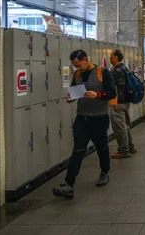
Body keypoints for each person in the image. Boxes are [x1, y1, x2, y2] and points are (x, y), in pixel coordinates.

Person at [52, 50, 116, 199]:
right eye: (75, 66)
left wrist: (98, 95)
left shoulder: (103, 72)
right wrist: (71, 98)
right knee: (78, 150)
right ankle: (68, 184)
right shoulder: (78, 75)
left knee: (102, 147)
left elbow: (112, 93)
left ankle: (105, 172)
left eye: (79, 64)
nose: (77, 68)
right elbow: (76, 92)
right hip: (82, 118)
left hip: (99, 118)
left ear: (86, 59)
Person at [108, 49, 137, 159]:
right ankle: (130, 146)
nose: (110, 57)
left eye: (111, 55)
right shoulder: (123, 68)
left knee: (119, 127)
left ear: (115, 57)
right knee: (125, 125)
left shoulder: (116, 71)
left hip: (118, 102)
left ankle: (123, 150)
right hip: (125, 101)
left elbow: (106, 81)